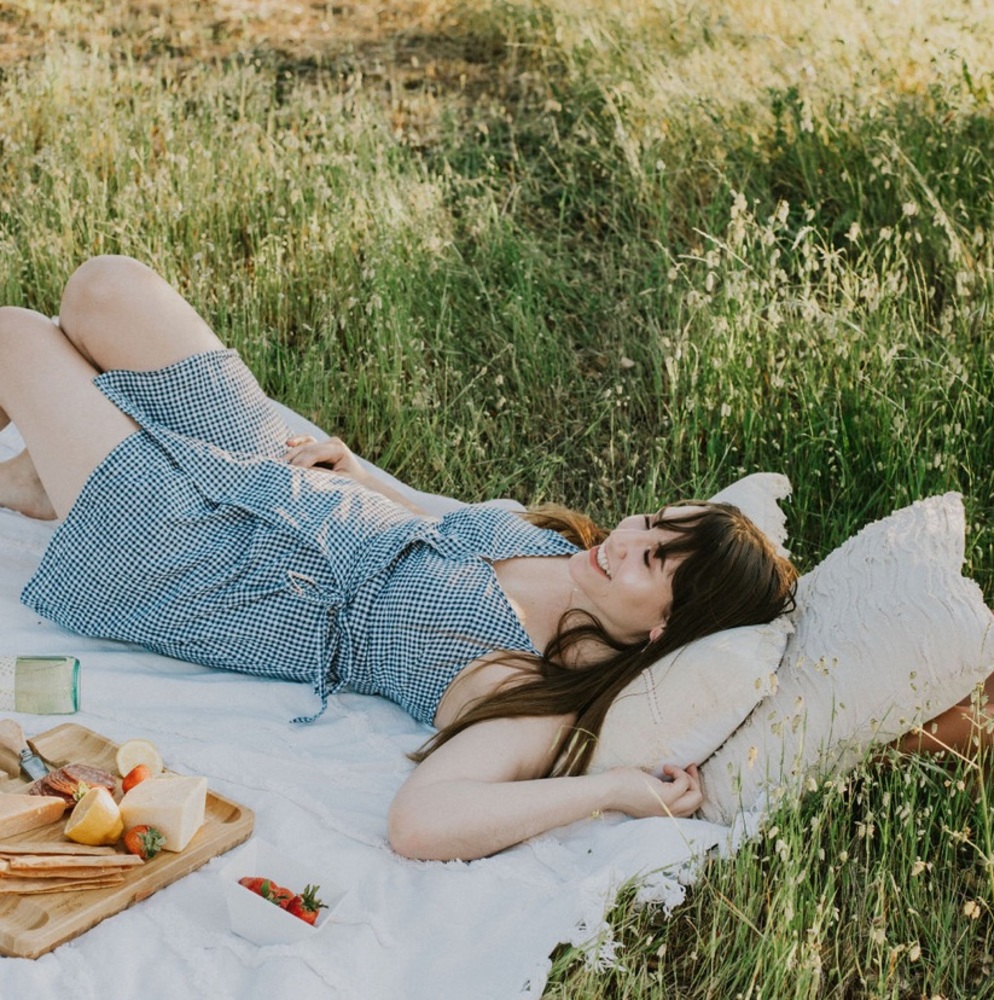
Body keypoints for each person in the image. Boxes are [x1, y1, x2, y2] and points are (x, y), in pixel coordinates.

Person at [0, 256, 797, 861]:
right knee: (104, 290)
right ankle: (46, 476)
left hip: (196, 560)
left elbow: (420, 824)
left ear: (664, 628)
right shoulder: (570, 554)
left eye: (650, 560)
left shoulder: (529, 683)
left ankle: (61, 471)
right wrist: (363, 474)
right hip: (272, 478)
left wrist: (616, 790)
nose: (623, 540)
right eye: (648, 521)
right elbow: (445, 524)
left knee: (17, 336)